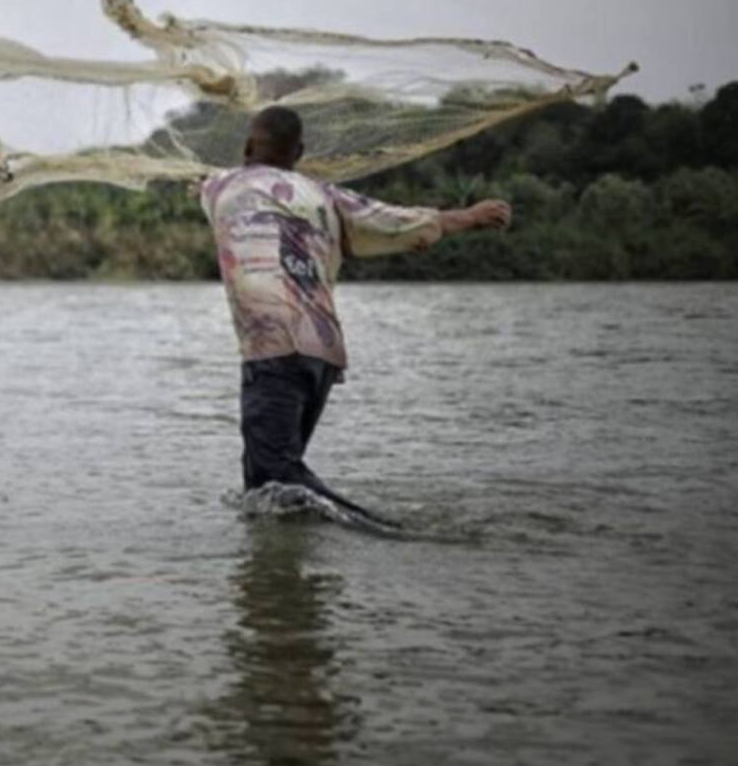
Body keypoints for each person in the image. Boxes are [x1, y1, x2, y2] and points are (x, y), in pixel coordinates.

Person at [199, 105, 512, 524]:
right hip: (321, 352)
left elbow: (204, 185)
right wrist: (468, 217)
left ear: (247, 146)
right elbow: (395, 221)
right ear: (300, 152)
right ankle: (284, 578)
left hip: (274, 348)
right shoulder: (325, 195)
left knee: (273, 481)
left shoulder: (222, 186)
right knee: (273, 492)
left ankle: (384, 531)